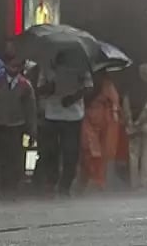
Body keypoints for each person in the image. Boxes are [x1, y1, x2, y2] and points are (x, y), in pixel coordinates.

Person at [37, 51, 91, 197]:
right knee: (51, 151)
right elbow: (40, 89)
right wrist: (50, 87)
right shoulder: (47, 67)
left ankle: (65, 185)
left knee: (70, 152)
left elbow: (88, 87)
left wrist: (73, 97)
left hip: (73, 115)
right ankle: (51, 181)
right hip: (52, 114)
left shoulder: (81, 67)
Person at [0, 53, 38, 200]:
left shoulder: (25, 86)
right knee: (1, 159)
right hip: (0, 126)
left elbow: (31, 110)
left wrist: (32, 132)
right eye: (12, 65)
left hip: (18, 127)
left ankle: (14, 190)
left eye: (18, 66)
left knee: (17, 159)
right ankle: (2, 189)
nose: (14, 68)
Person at [81, 72, 121, 190]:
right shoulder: (85, 81)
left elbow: (114, 101)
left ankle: (98, 180)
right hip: (89, 117)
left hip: (103, 119)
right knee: (90, 150)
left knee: (101, 153)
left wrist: (113, 113)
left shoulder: (106, 84)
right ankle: (91, 179)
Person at [123, 63, 147, 191]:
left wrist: (130, 122)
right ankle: (143, 184)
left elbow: (125, 105)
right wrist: (140, 121)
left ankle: (134, 184)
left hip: (133, 125)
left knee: (133, 154)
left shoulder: (130, 88)